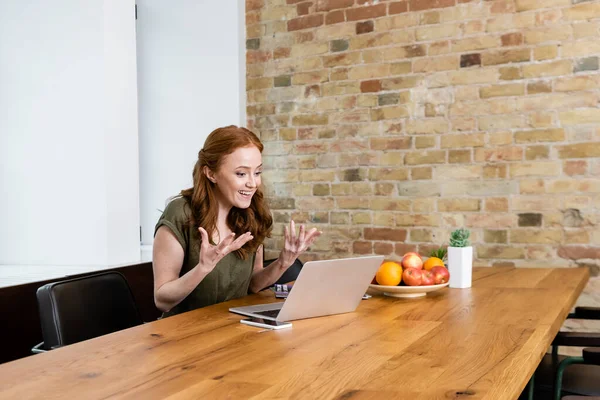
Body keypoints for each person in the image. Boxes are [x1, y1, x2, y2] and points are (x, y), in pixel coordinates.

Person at [152, 125, 321, 317]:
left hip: (232, 326)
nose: (253, 183)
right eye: (241, 173)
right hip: (185, 333)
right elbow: (162, 300)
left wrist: (284, 261)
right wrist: (203, 268)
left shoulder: (251, 213)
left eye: (257, 172)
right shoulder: (180, 213)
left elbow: (254, 284)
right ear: (211, 173)